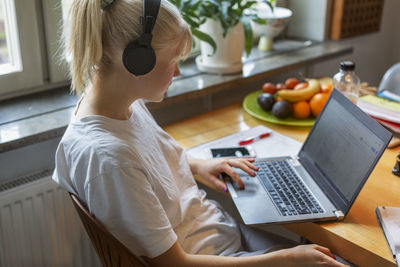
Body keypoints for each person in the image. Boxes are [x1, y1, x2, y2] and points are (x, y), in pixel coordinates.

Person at [52, 0, 349, 266]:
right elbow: (175, 264)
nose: (178, 73)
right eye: (173, 61)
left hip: (219, 233)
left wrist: (196, 165)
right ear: (136, 62)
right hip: (212, 257)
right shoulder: (110, 160)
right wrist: (283, 259)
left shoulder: (117, 103)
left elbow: (148, 162)